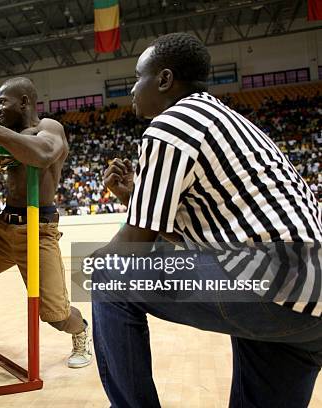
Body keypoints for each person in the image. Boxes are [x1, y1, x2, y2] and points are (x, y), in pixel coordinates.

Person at [92, 32, 322, 407]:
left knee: (105, 273)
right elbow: (208, 230)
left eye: (138, 77)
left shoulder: (173, 124)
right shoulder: (228, 119)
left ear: (165, 80)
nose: (132, 89)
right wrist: (137, 197)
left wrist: (89, 263)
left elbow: (132, 248)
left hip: (269, 283)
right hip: (310, 301)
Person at [0, 76, 93, 368]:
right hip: (3, 228)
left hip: (39, 230)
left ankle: (81, 331)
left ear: (25, 102)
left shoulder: (49, 128)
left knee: (56, 316)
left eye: (4, 102)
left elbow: (42, 155)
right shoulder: (7, 134)